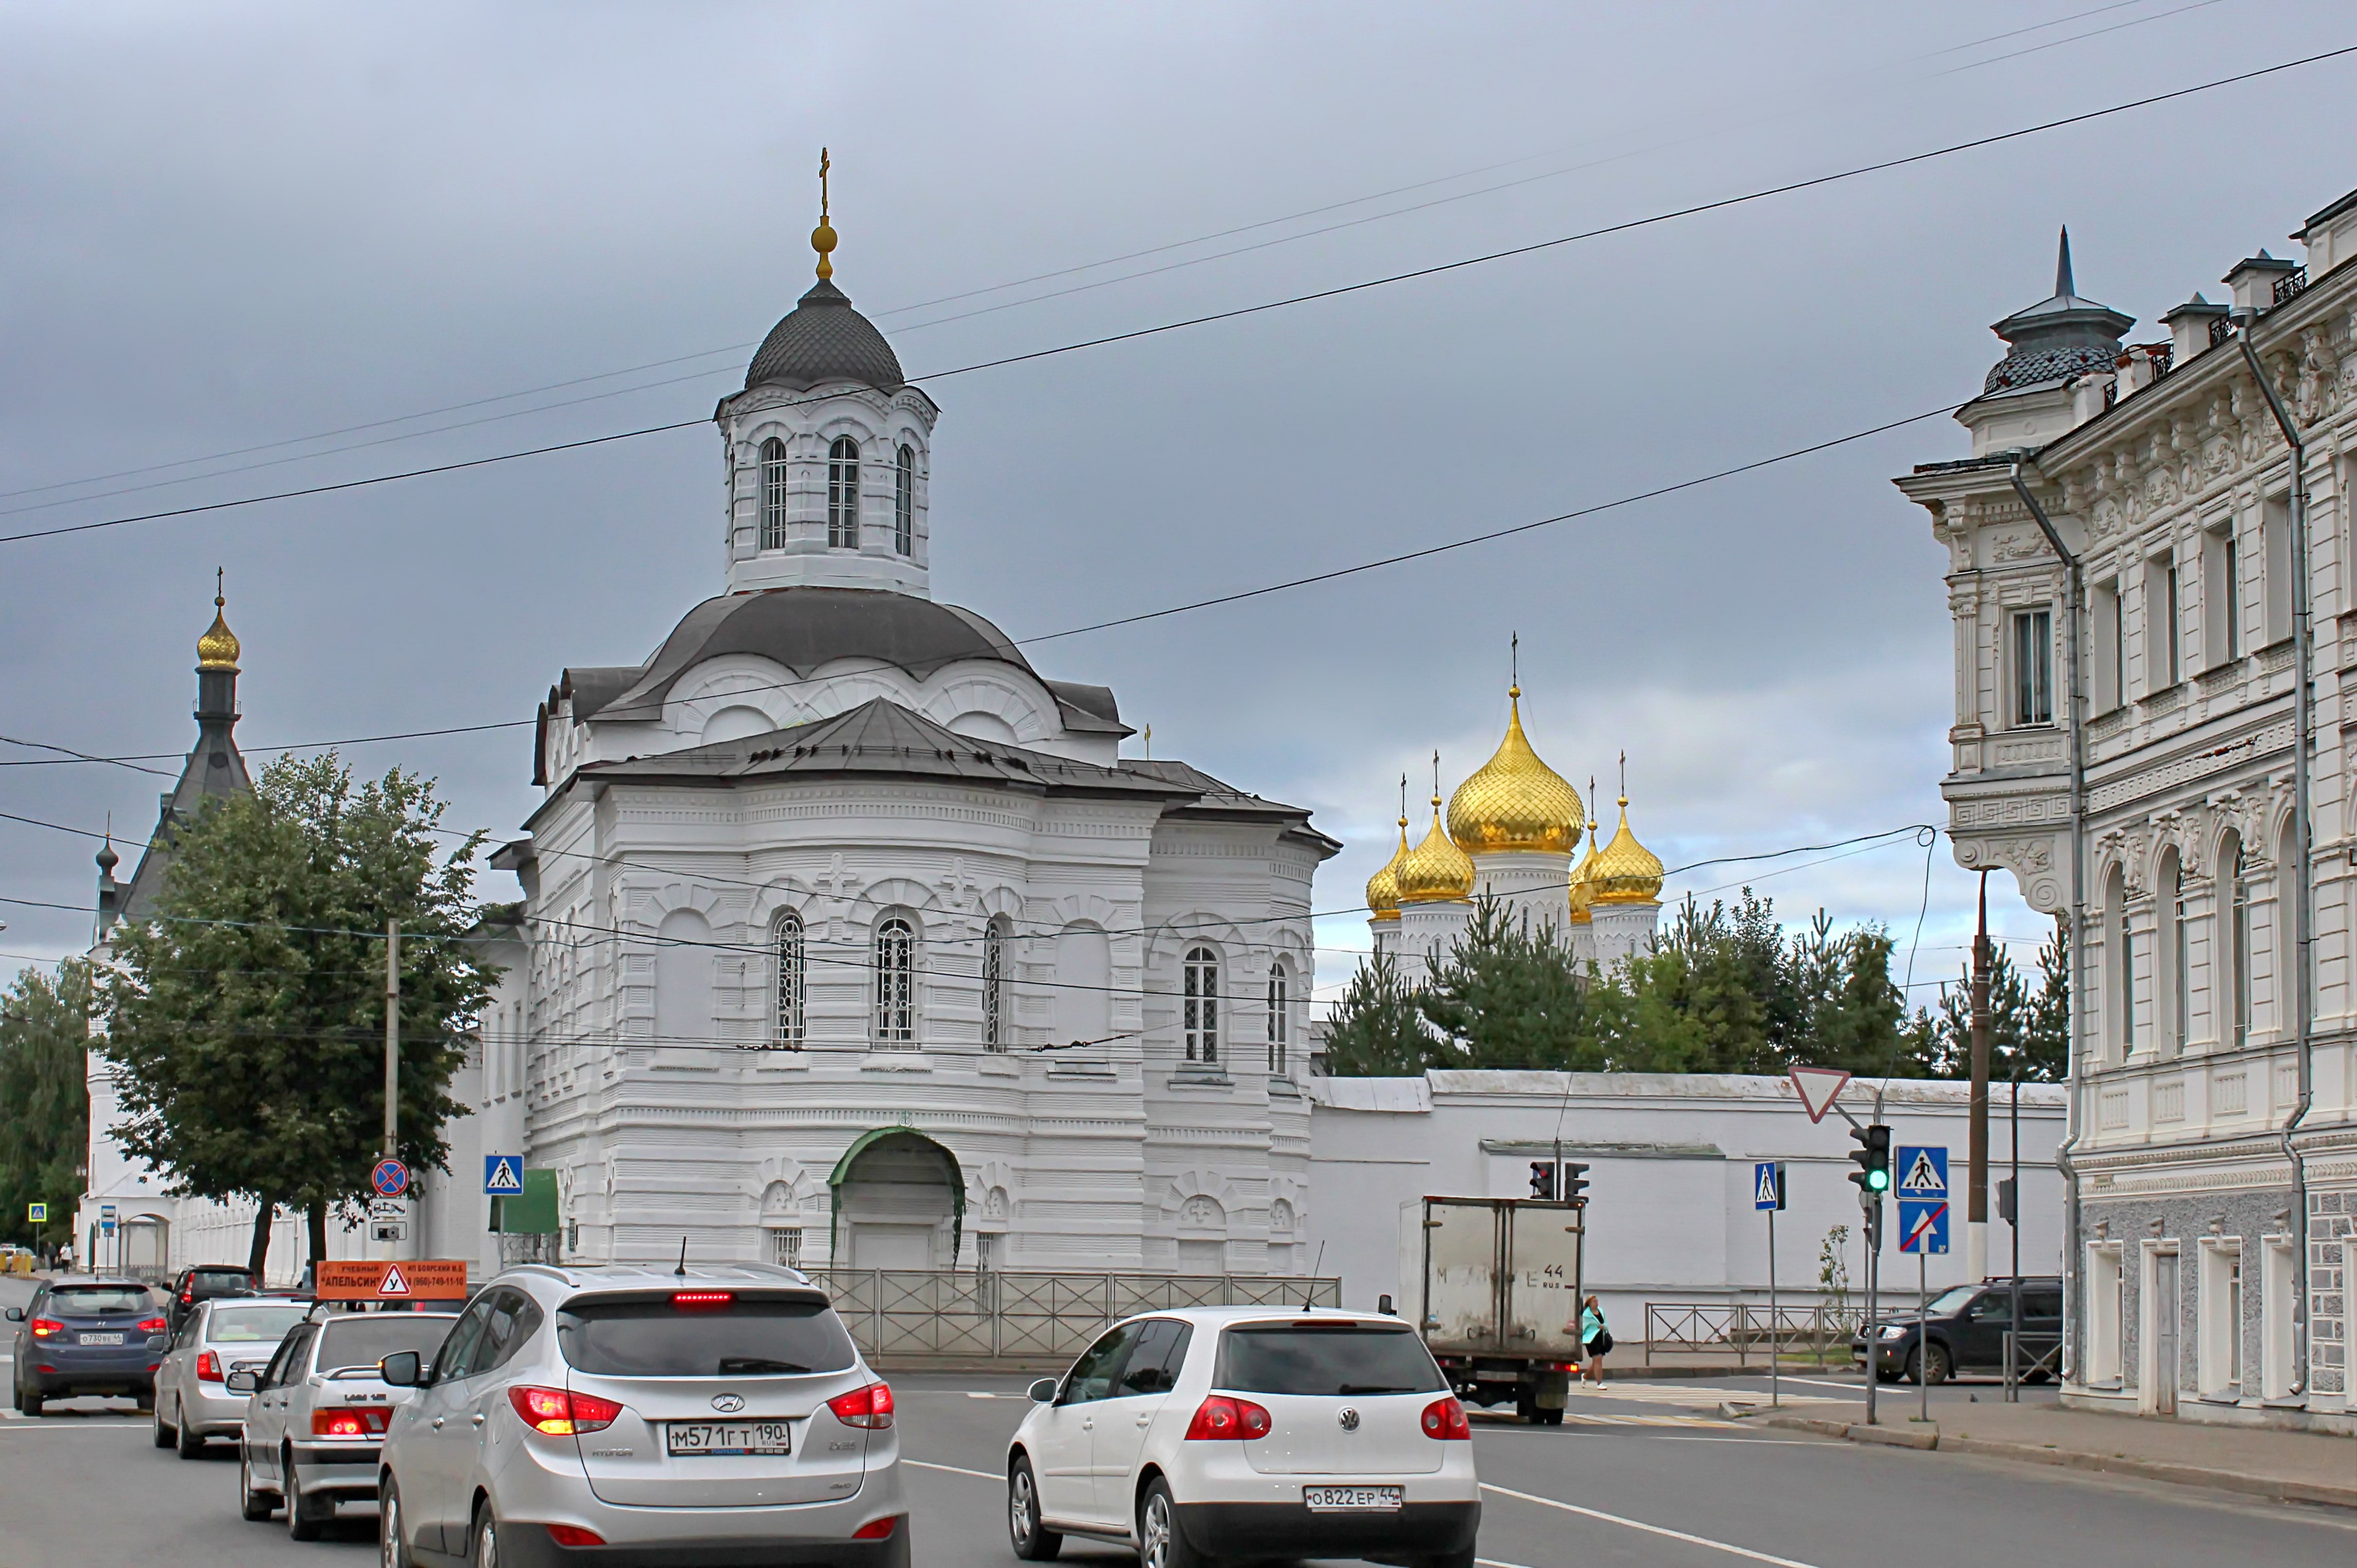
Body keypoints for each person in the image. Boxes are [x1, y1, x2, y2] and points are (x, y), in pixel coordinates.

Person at [1579, 1295, 1611, 1385]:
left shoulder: (1601, 1311)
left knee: (1597, 1362)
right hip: (1591, 1340)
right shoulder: (1586, 1315)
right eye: (1594, 1302)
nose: (1597, 1303)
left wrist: (1603, 1326)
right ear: (1589, 1303)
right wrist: (1580, 1340)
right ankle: (1599, 1384)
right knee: (1598, 1359)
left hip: (1601, 1339)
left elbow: (1606, 1325)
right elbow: (1583, 1328)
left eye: (1597, 1301)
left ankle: (1585, 1376)